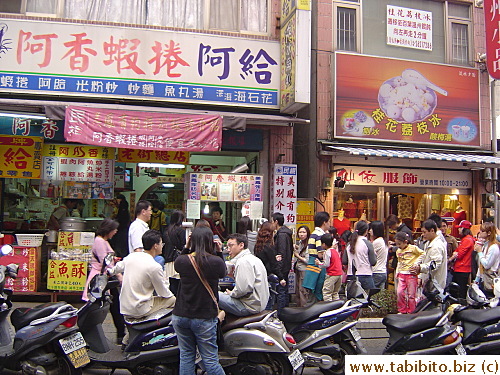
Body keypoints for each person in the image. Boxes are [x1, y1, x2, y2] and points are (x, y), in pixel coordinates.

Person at [172, 226, 226, 375]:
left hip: (181, 315)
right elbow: (223, 272)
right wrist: (219, 251)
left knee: (186, 356)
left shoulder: (182, 260)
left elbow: (177, 265)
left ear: (192, 240)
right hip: (204, 318)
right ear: (211, 241)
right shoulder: (215, 261)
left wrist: (186, 247)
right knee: (210, 359)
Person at [110, 230, 176, 321]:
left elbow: (115, 269)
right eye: (161, 243)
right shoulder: (154, 266)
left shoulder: (131, 256)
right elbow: (163, 293)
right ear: (155, 246)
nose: (162, 246)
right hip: (140, 309)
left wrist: (109, 271)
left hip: (124, 307)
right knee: (172, 300)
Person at [82, 218, 125, 344]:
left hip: (105, 278)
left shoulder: (102, 241)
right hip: (100, 279)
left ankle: (120, 334)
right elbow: (104, 261)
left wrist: (114, 260)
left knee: (112, 306)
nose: (116, 231)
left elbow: (107, 259)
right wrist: (119, 275)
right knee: (100, 308)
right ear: (109, 230)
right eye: (114, 229)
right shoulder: (100, 241)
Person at [218, 233, 269, 316]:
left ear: (241, 245)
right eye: (227, 247)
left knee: (213, 295)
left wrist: (231, 293)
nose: (228, 249)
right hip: (258, 305)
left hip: (248, 307)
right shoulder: (252, 258)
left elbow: (243, 289)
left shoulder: (243, 262)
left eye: (231, 246)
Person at [410, 219, 448, 290]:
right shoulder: (428, 243)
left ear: (432, 231)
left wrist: (420, 268)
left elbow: (434, 265)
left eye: (424, 232)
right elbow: (424, 258)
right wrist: (420, 276)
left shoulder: (437, 246)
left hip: (436, 284)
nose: (423, 235)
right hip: (428, 282)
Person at [394, 231, 424, 314]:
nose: (398, 246)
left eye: (399, 244)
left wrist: (416, 263)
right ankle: (402, 309)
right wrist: (397, 271)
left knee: (411, 294)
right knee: (399, 292)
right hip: (402, 273)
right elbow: (399, 262)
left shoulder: (413, 248)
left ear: (405, 242)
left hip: (411, 274)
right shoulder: (398, 251)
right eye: (397, 244)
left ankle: (412, 311)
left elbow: (423, 254)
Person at [303, 212, 330, 301]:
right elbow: (320, 254)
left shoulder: (314, 233)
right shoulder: (320, 235)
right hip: (317, 266)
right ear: (324, 222)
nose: (329, 224)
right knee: (318, 292)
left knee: (313, 293)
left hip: (312, 266)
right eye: (329, 221)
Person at [343, 220, 376, 291]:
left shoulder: (349, 244)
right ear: (366, 231)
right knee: (370, 298)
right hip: (365, 274)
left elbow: (344, 261)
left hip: (351, 275)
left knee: (353, 298)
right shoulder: (367, 243)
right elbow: (373, 262)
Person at [253, 221, 279, 309]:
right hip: (269, 276)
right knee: (269, 303)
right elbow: (273, 264)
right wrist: (281, 277)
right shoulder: (269, 246)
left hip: (260, 276)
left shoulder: (258, 245)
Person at [271, 212, 293, 312]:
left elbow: (281, 252)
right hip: (285, 266)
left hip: (282, 267)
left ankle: (282, 314)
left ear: (276, 222)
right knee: (283, 290)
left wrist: (278, 269)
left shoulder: (282, 235)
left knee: (281, 291)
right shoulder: (285, 233)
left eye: (272, 221)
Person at [163, 210, 187, 295]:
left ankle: (173, 301)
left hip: (168, 259)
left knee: (172, 283)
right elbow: (182, 245)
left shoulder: (166, 230)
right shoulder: (181, 231)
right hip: (177, 259)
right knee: (179, 284)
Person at [449, 220, 475, 299]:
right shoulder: (466, 239)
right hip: (461, 268)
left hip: (462, 268)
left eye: (460, 228)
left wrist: (452, 257)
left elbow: (458, 254)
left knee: (460, 291)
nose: (458, 230)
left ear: (464, 229)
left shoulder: (467, 240)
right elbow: (456, 252)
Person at [474, 222, 500, 297]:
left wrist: (479, 252)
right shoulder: (485, 245)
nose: (480, 233)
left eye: (482, 231)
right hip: (483, 280)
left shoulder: (493, 247)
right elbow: (480, 265)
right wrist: (477, 280)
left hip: (490, 281)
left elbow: (486, 265)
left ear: (489, 233)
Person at [317, 233, 343, 301]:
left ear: (324, 244)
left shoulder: (327, 252)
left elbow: (326, 264)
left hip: (332, 274)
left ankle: (329, 308)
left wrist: (319, 263)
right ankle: (337, 307)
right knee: (335, 293)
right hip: (339, 274)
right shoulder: (335, 251)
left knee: (327, 292)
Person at [109, 194, 131, 259]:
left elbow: (120, 219)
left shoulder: (122, 208)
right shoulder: (124, 208)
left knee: (120, 246)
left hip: (121, 230)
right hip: (124, 230)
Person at [294, 225, 310, 307]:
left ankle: (304, 307)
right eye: (300, 232)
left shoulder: (309, 245)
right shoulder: (300, 243)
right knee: (297, 289)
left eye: (304, 232)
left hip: (304, 270)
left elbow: (307, 260)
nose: (301, 234)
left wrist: (297, 256)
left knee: (302, 290)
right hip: (299, 269)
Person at [370, 220, 389, 289]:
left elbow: (369, 254)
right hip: (382, 272)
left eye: (371, 229)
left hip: (376, 272)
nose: (369, 231)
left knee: (371, 294)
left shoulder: (377, 242)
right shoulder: (383, 240)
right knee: (380, 296)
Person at [441, 220, 458, 286]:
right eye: (440, 226)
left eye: (444, 226)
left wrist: (450, 260)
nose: (442, 228)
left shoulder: (452, 239)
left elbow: (456, 252)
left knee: (447, 286)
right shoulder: (436, 239)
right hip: (439, 268)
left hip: (448, 268)